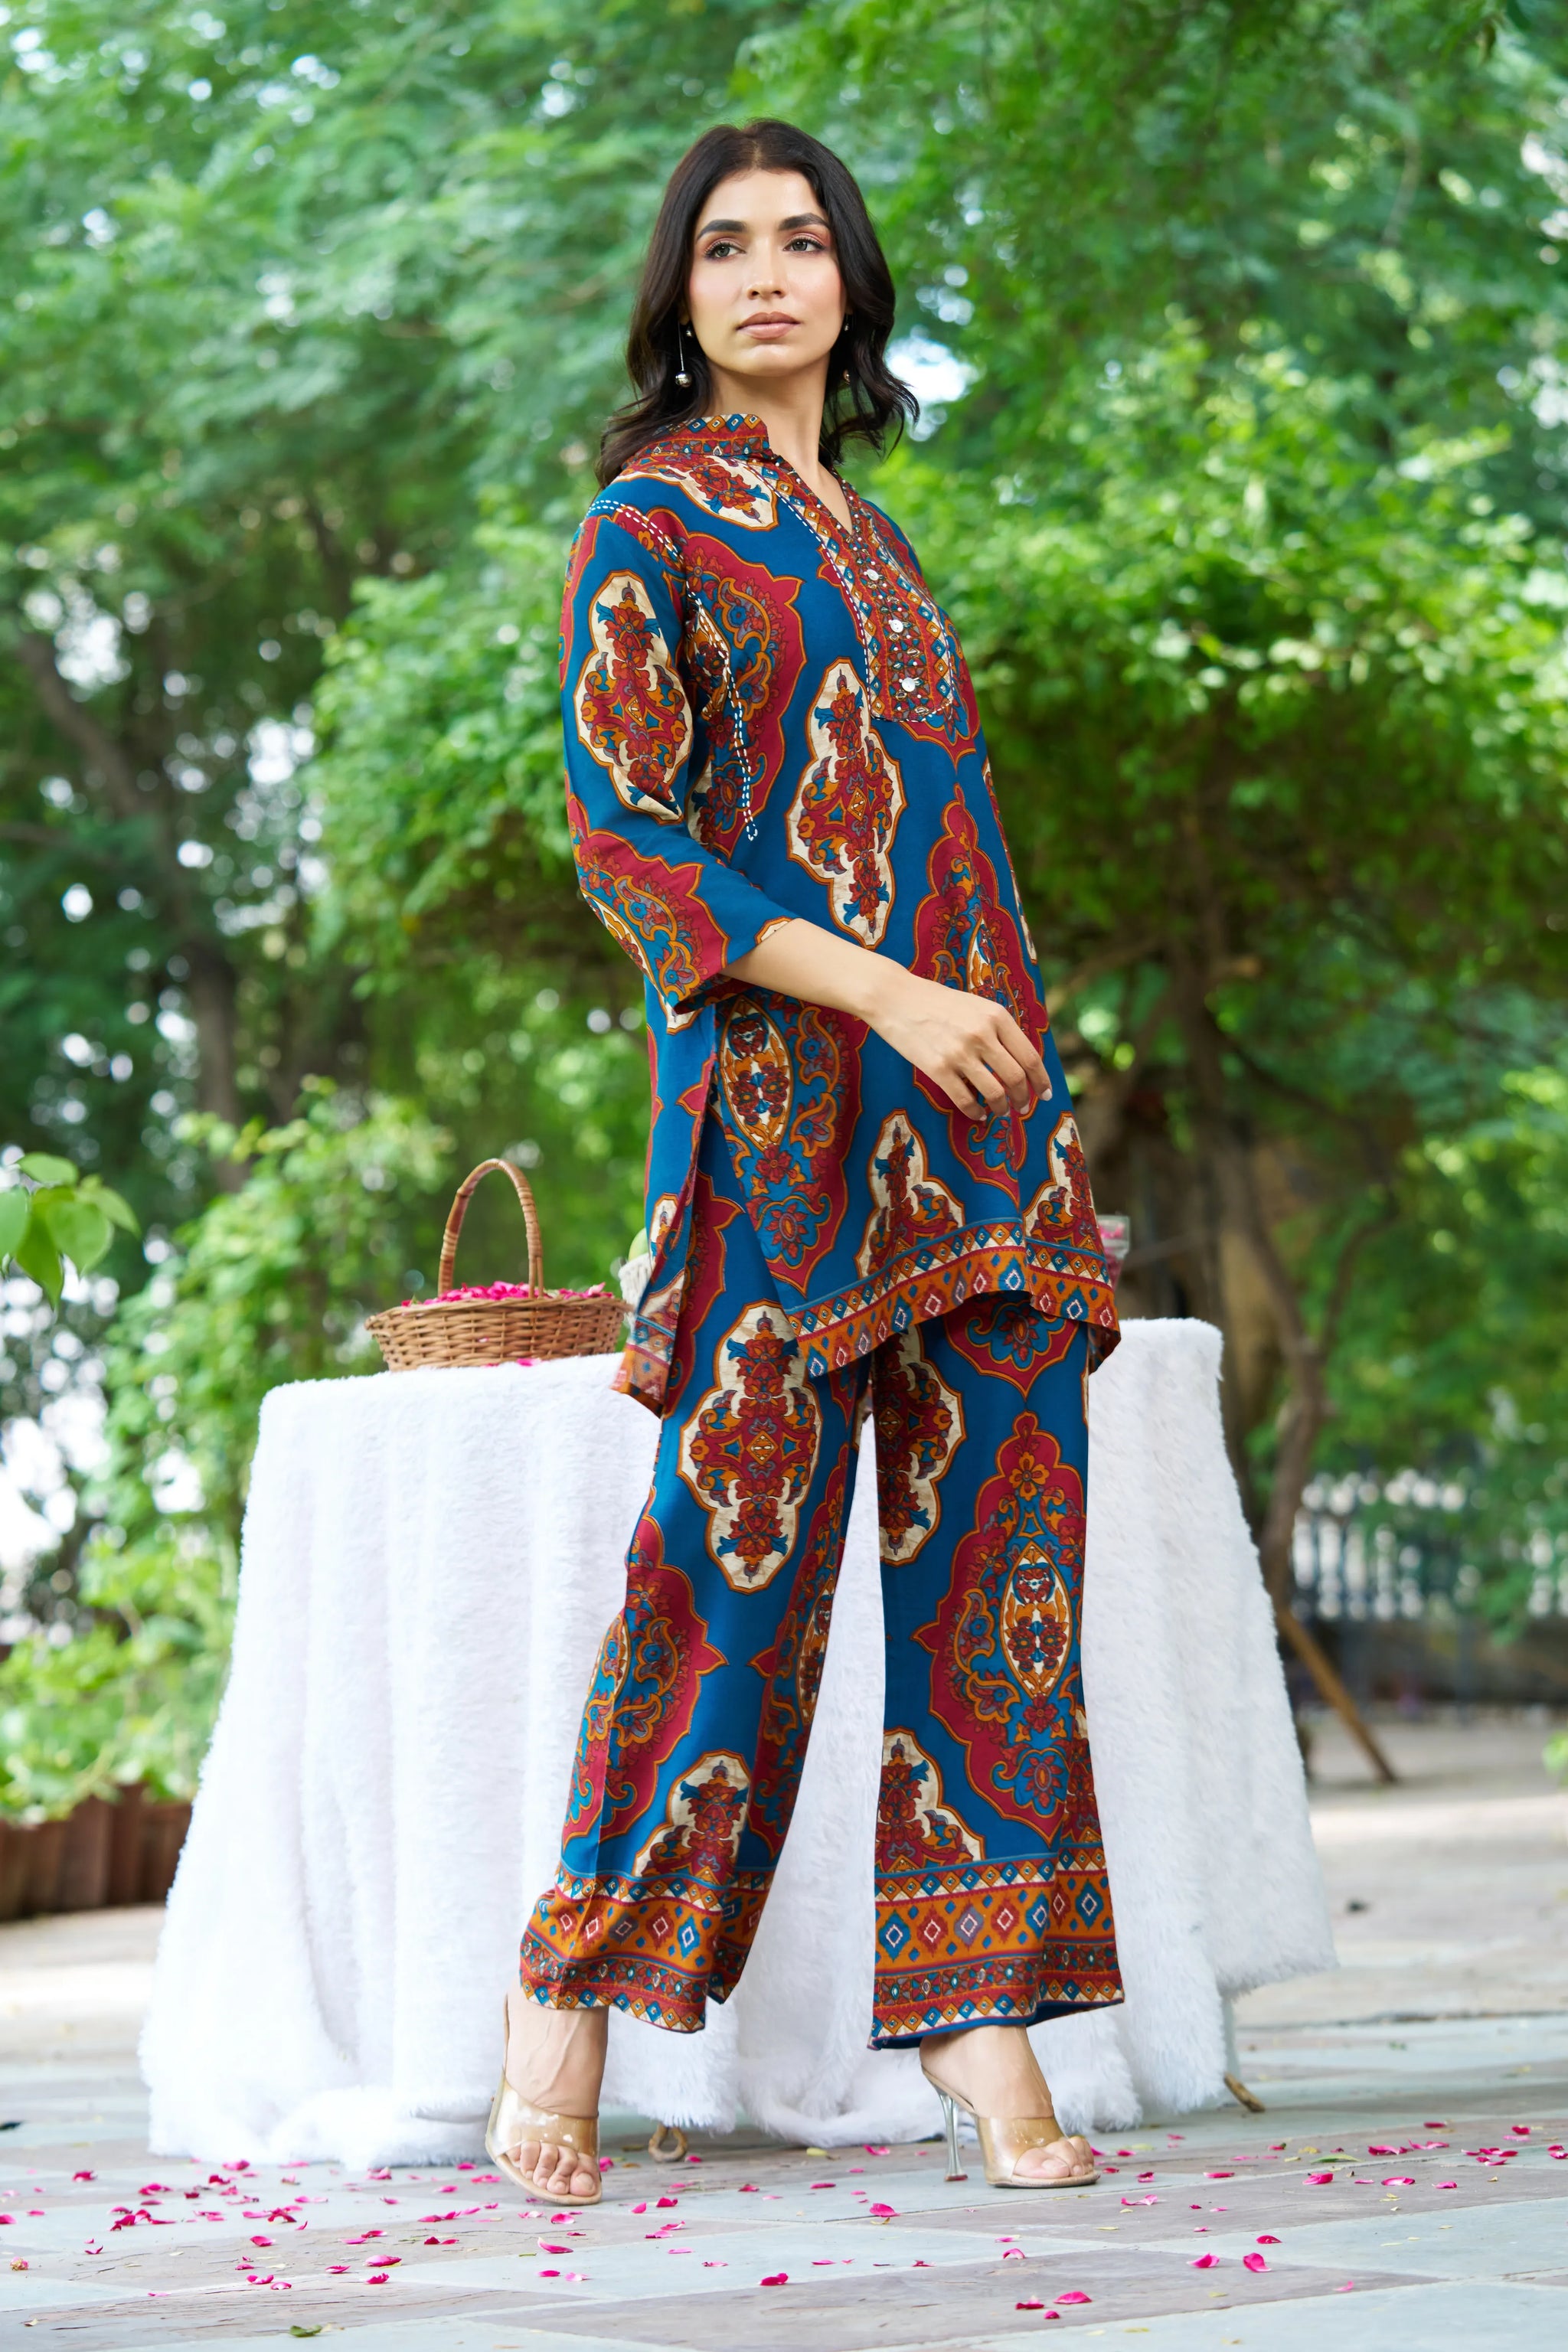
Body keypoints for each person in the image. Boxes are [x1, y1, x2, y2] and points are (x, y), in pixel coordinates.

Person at [489, 117, 1123, 2207]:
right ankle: (568, 1997)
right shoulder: (649, 523)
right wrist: (890, 1000)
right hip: (786, 1127)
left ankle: (981, 2020)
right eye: (723, 246)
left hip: (982, 1135)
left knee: (1007, 1569)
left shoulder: (884, 538)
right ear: (679, 294)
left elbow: (953, 839)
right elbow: (633, 847)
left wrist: (1021, 1088)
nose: (765, 273)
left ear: (850, 282)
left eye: (800, 241)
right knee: (728, 1578)